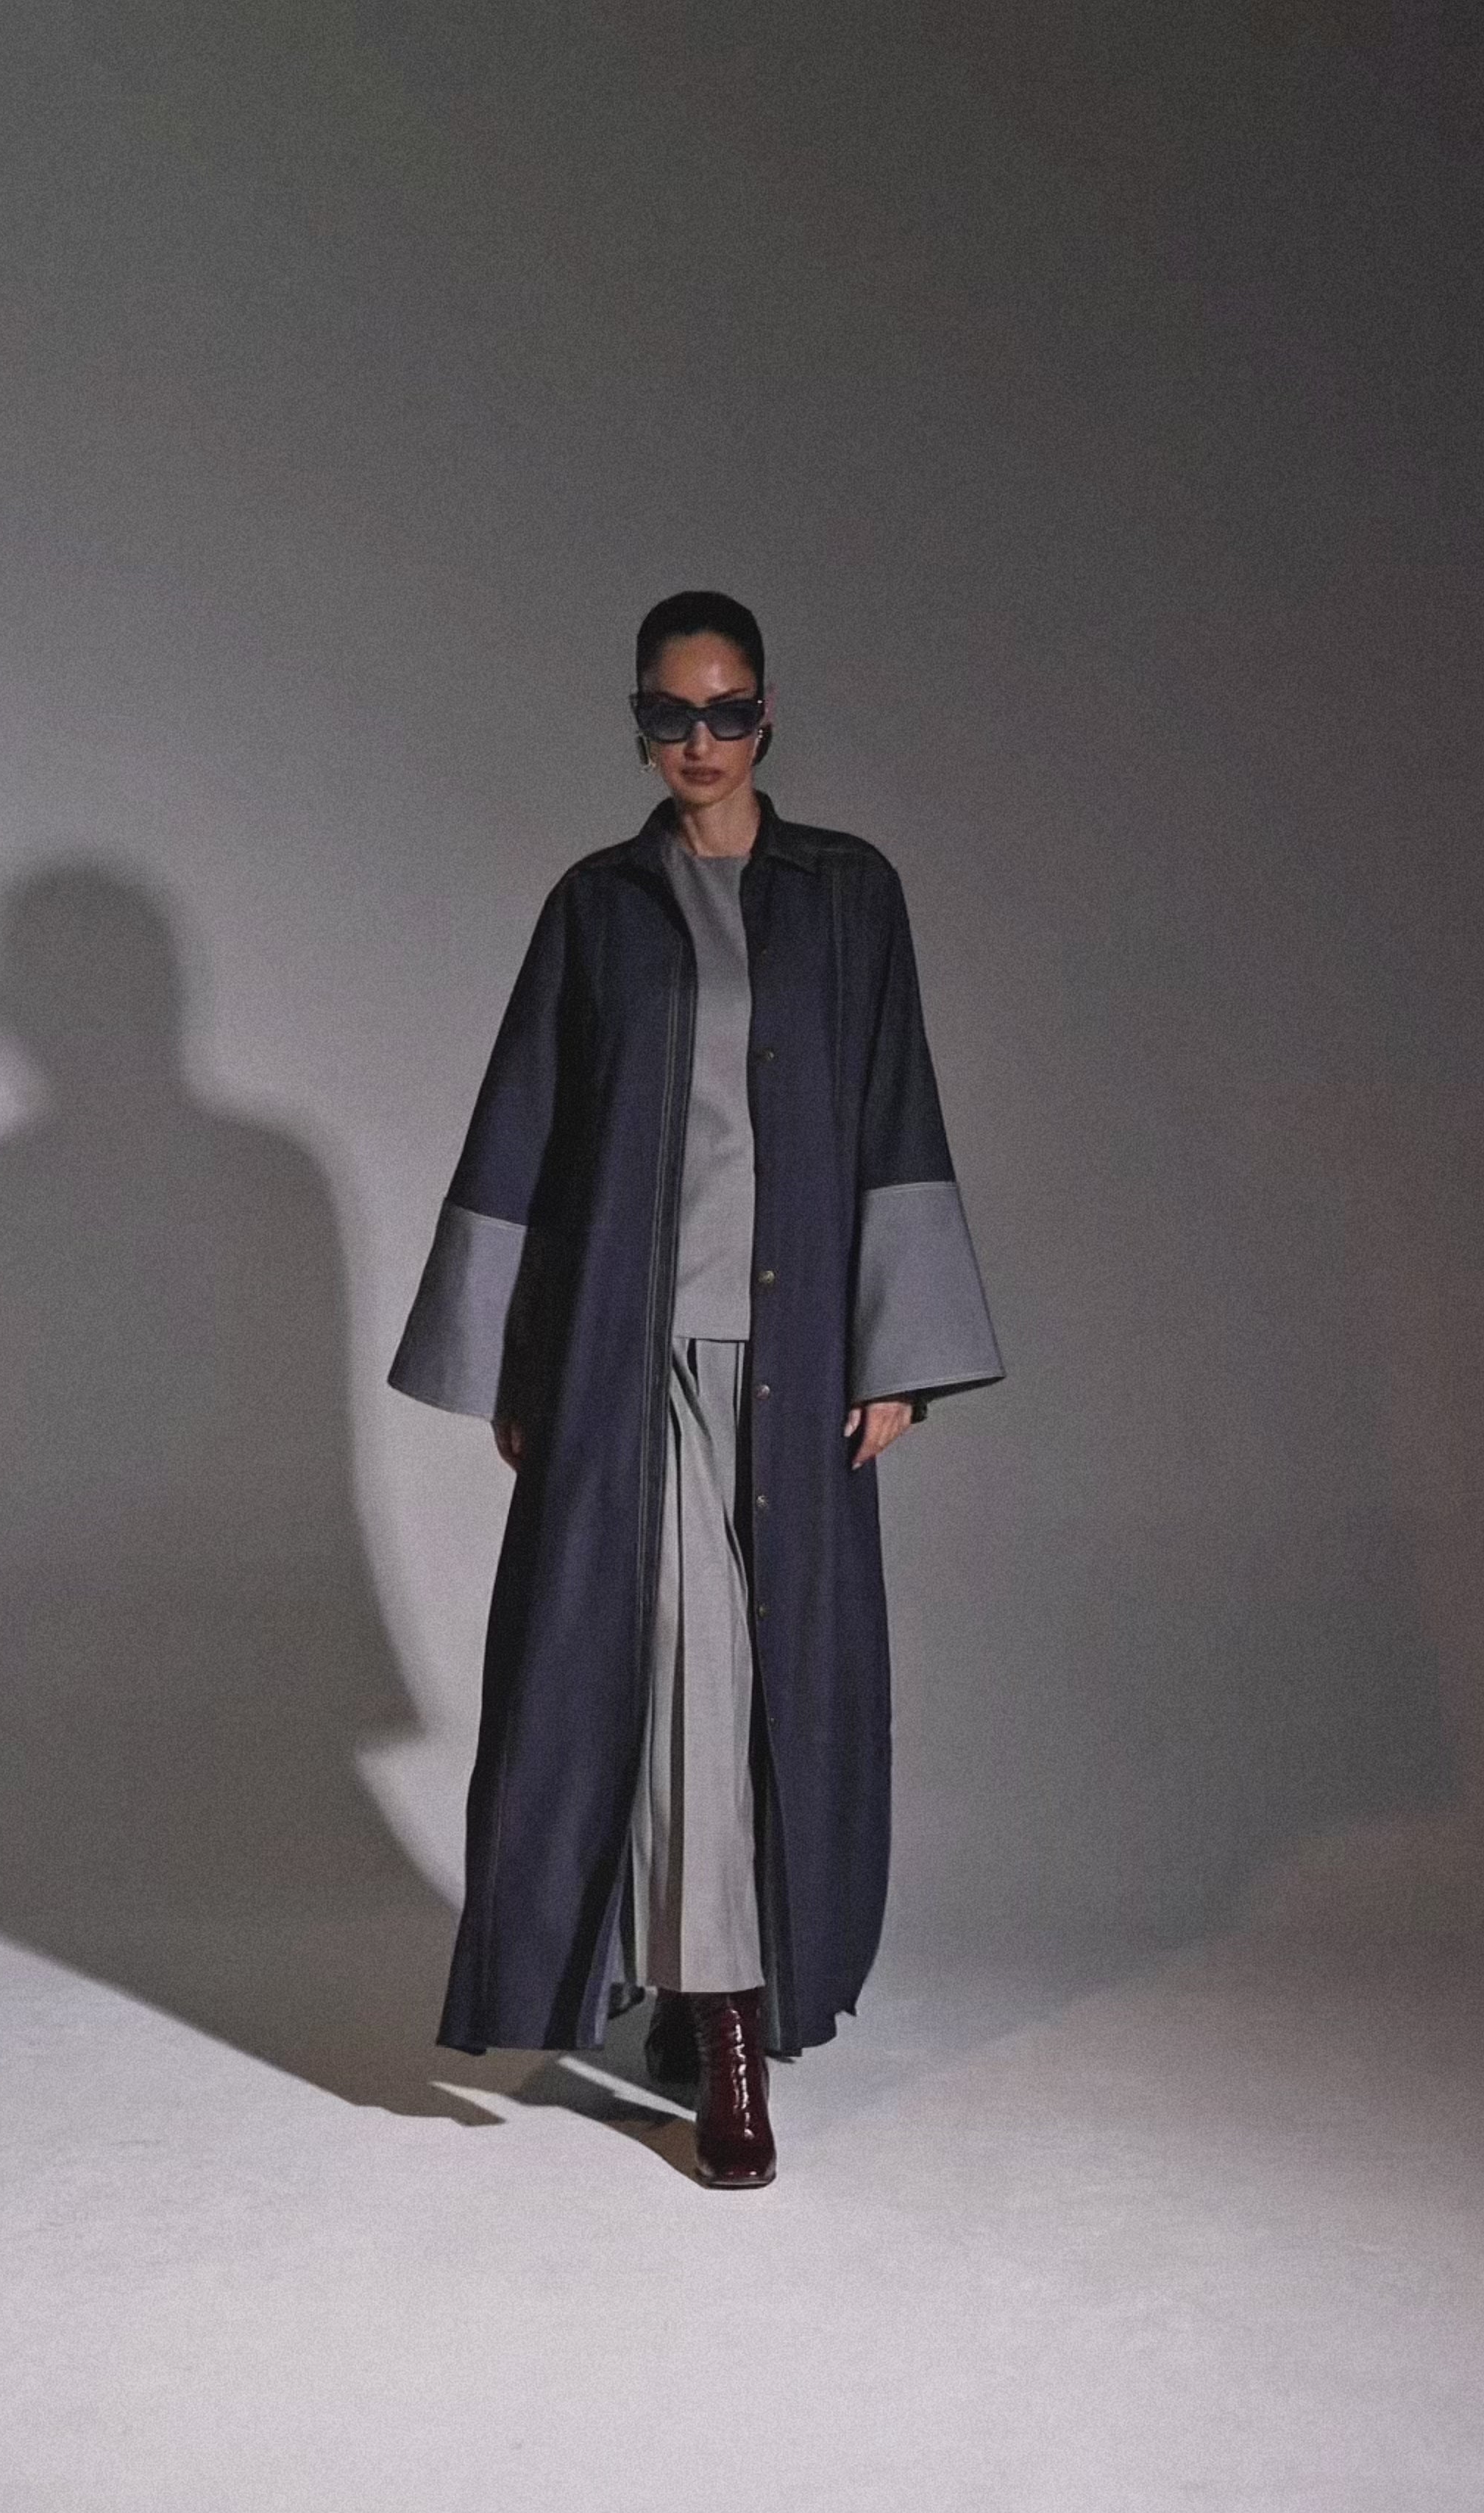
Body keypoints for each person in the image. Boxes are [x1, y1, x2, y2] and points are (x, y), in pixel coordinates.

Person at [389, 590, 1003, 2186]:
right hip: (629, 1357)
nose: (700, 742)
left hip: (799, 1367)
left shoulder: (850, 896)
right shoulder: (597, 909)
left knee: (764, 1679)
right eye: (671, 716)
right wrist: (522, 1362)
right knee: (678, 1663)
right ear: (640, 724)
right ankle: (726, 2029)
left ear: (768, 715)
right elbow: (526, 1126)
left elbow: (896, 1107)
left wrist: (900, 1351)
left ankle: (691, 1974)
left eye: (727, 713)